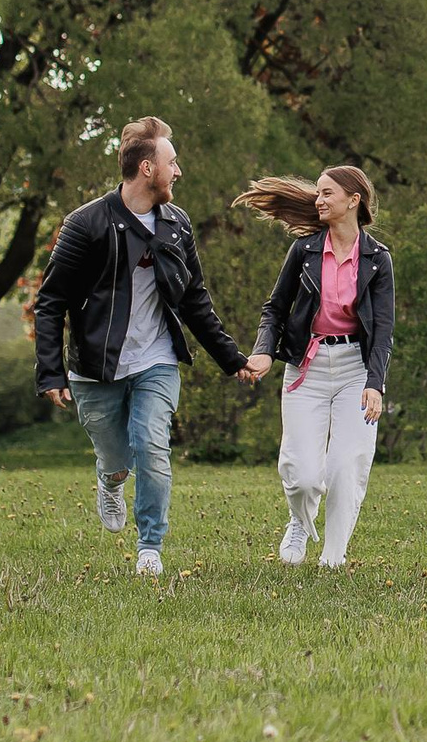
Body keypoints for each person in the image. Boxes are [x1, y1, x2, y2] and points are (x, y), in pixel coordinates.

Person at [34, 117, 254, 577]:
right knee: (117, 458)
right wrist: (50, 372)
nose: (180, 172)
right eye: (173, 163)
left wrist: (231, 358)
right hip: (96, 368)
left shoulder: (177, 225)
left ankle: (150, 547)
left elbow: (195, 300)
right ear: (148, 168)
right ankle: (110, 479)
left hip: (156, 359)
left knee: (152, 445)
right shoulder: (86, 225)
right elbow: (51, 302)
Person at [238, 166, 395, 568]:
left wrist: (375, 384)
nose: (318, 200)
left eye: (327, 194)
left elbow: (383, 330)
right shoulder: (304, 251)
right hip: (305, 366)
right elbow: (275, 309)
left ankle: (333, 555)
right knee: (302, 472)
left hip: (355, 370)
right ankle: (298, 520)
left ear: (353, 200)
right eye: (317, 194)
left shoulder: (378, 260)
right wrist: (264, 352)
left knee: (347, 465)